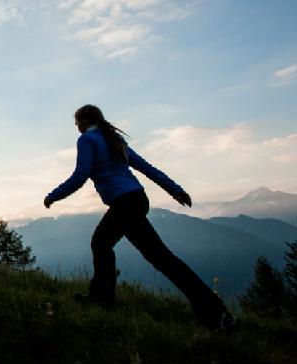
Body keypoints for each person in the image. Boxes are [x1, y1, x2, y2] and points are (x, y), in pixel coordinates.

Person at [43, 104, 235, 331]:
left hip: (124, 205)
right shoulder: (114, 140)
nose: (78, 129)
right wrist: (176, 190)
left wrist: (53, 196)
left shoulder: (88, 140)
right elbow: (147, 168)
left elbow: (80, 175)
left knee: (161, 258)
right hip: (136, 199)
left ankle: (215, 313)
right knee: (101, 243)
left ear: (84, 121)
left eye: (77, 124)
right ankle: (101, 299)